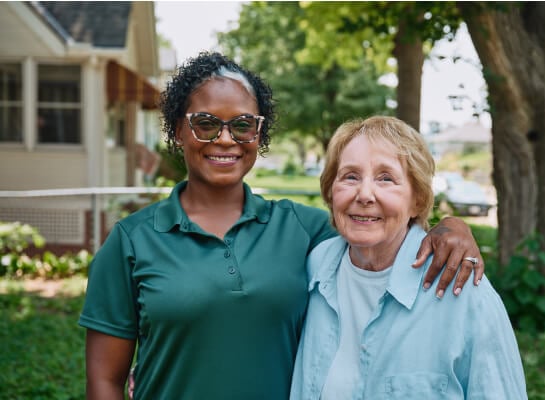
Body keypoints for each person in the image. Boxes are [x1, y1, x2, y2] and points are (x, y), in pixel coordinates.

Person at [79, 52, 484, 399]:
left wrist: (451, 225)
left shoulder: (303, 230)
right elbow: (105, 379)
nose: (225, 139)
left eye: (242, 125)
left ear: (259, 134)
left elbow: (377, 228)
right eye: (206, 123)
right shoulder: (132, 241)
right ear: (180, 129)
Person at [290, 116, 527, 399]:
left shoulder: (463, 292)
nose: (364, 194)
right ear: (331, 191)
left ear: (418, 199)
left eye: (386, 178)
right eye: (350, 176)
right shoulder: (314, 269)